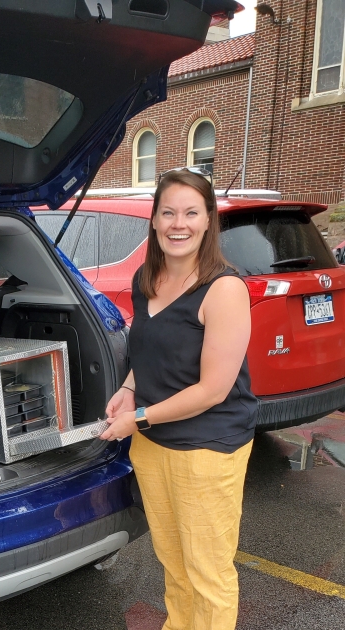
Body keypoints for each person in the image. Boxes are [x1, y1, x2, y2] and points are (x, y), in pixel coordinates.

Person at [99, 168, 257, 630]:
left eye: (191, 212)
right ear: (153, 220)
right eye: (168, 212)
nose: (178, 224)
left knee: (207, 572)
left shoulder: (224, 290)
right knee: (174, 563)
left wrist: (140, 417)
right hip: (152, 441)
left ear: (209, 220)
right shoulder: (147, 279)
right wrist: (129, 391)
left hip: (207, 447)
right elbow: (146, 352)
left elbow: (213, 390)